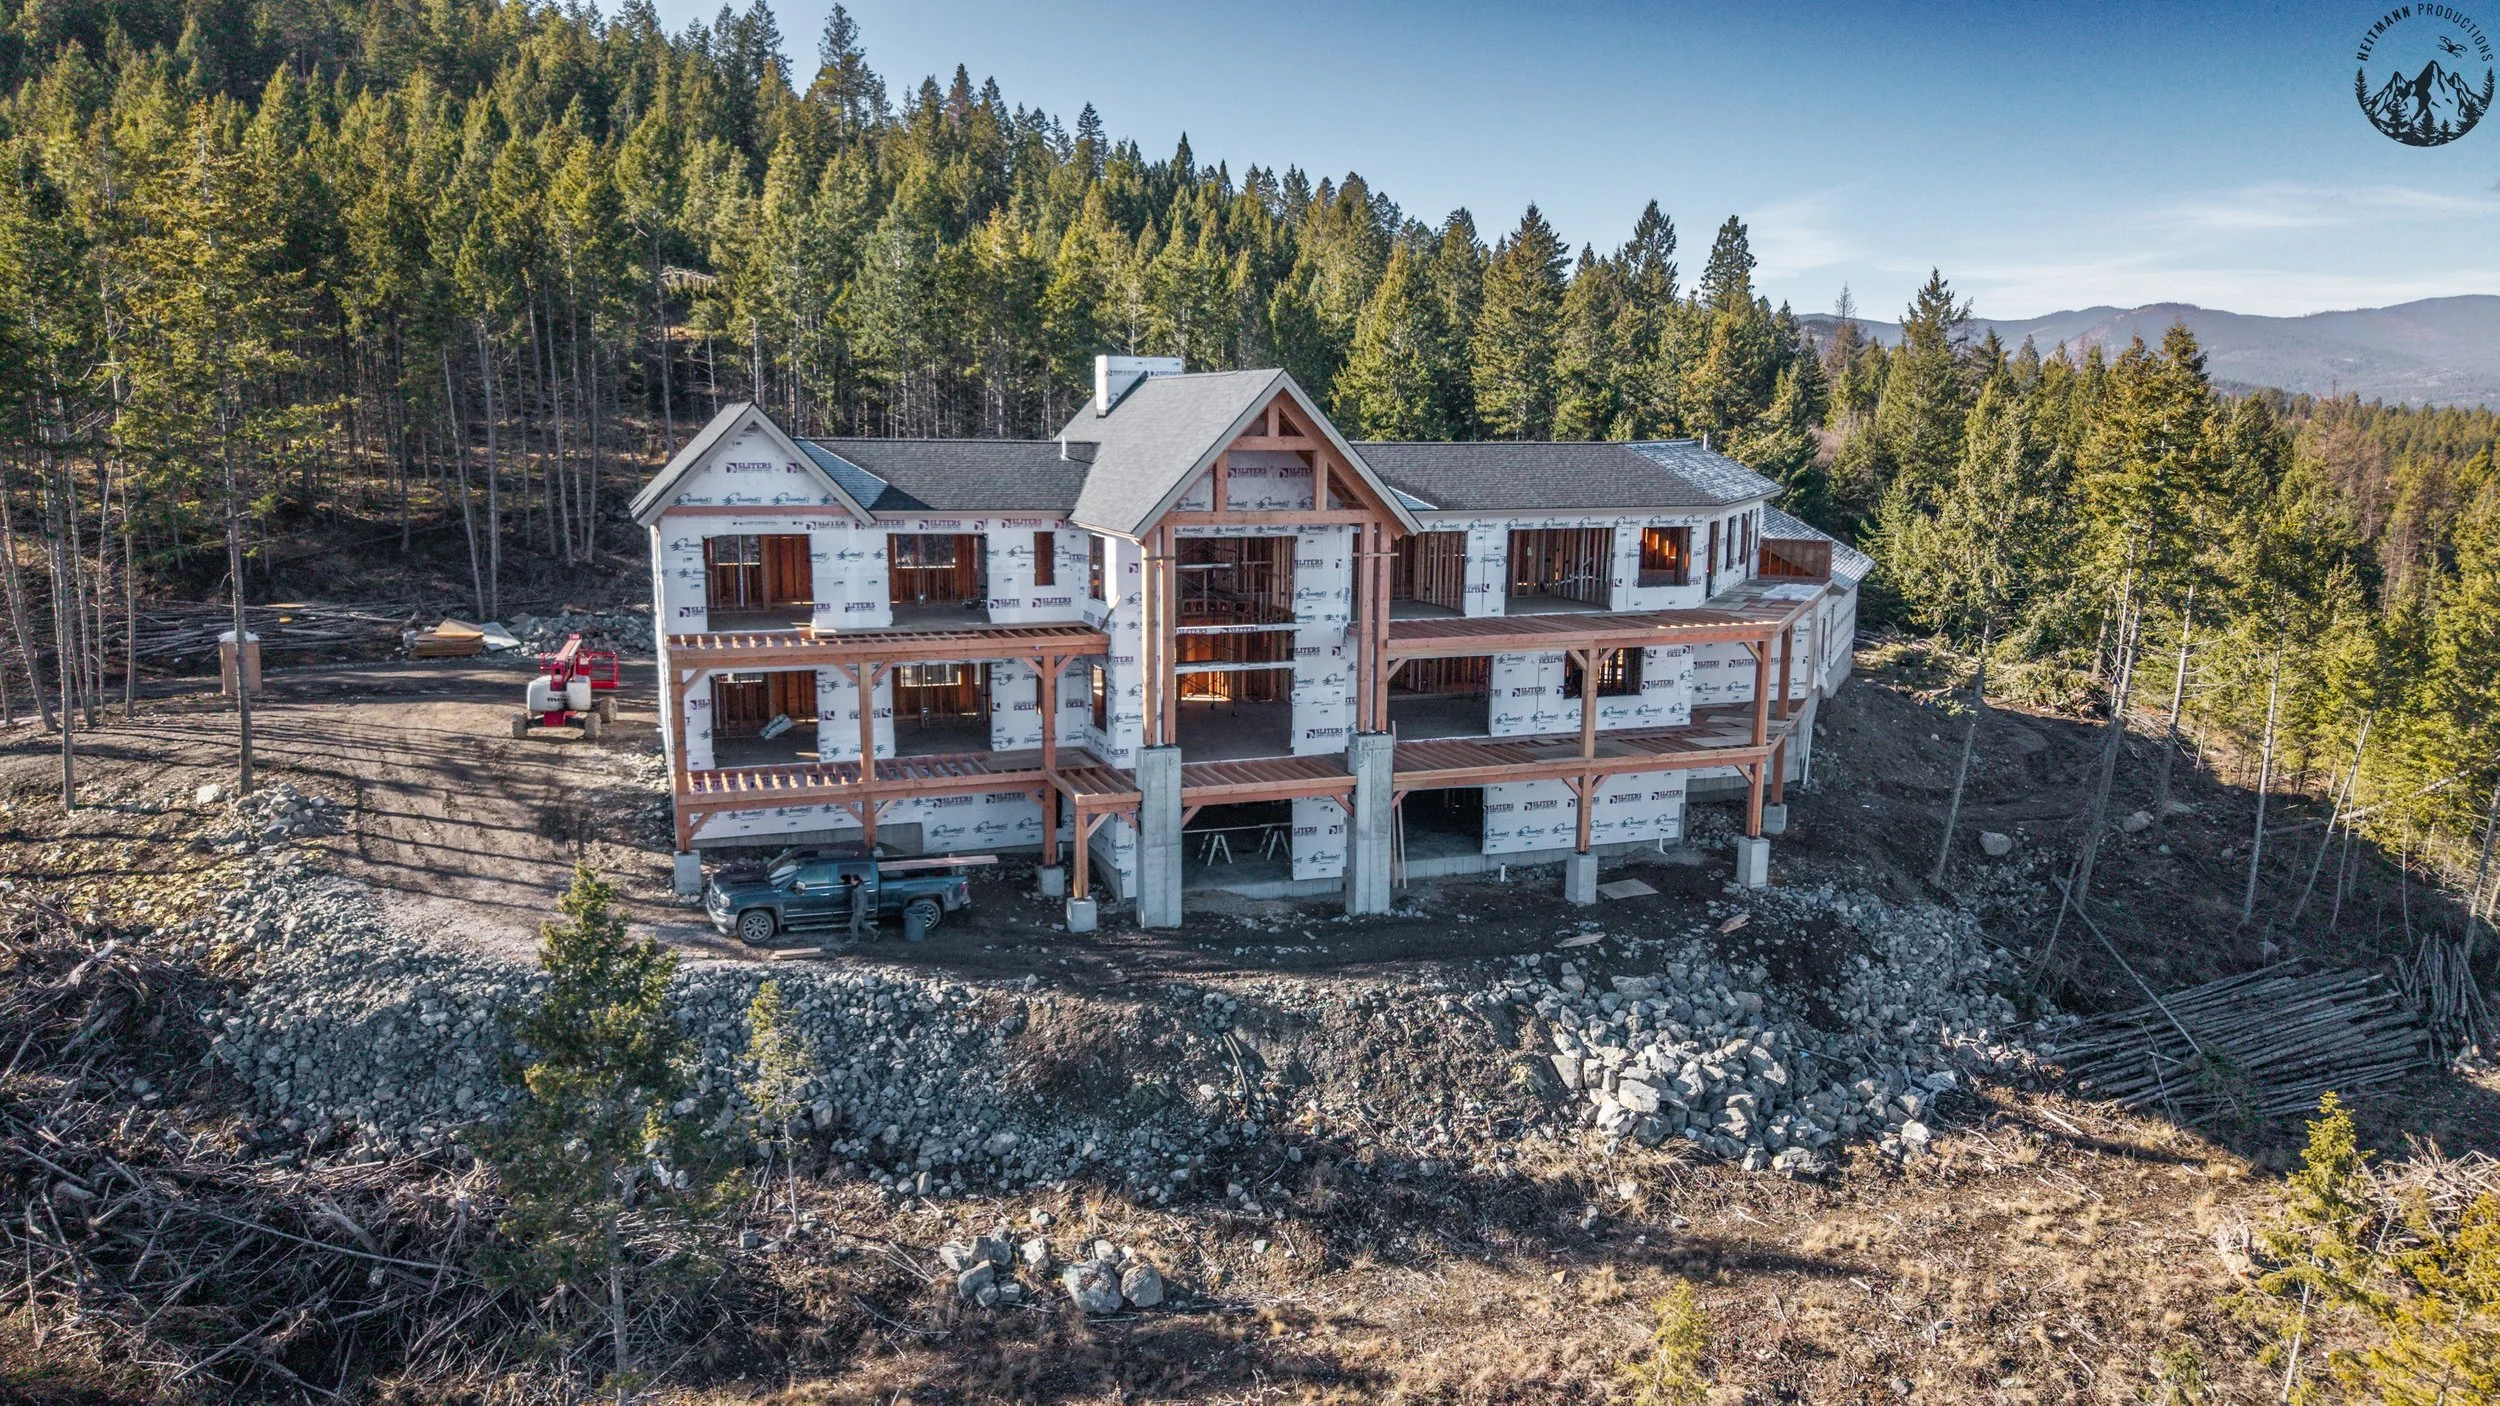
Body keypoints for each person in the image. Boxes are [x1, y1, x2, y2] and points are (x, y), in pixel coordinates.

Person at [844, 871, 872, 943]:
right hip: (860, 909)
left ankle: (854, 940)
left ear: (856, 880)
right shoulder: (858, 887)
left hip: (859, 910)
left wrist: (859, 912)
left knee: (852, 924)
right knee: (862, 923)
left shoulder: (859, 889)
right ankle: (875, 933)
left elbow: (861, 901)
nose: (850, 881)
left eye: (852, 880)